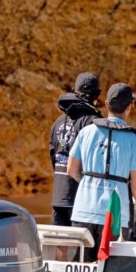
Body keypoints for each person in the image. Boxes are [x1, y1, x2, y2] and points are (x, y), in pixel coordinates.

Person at [67, 83, 136, 260]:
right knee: (111, 269)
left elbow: (72, 170)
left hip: (83, 209)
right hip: (115, 213)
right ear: (129, 108)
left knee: (79, 267)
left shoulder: (86, 132)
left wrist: (88, 185)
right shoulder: (134, 140)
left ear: (106, 104)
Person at [48, 72, 101, 226]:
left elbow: (53, 156)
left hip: (59, 194)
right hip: (82, 198)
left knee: (60, 243)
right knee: (82, 247)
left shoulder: (57, 122)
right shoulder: (94, 123)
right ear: (97, 95)